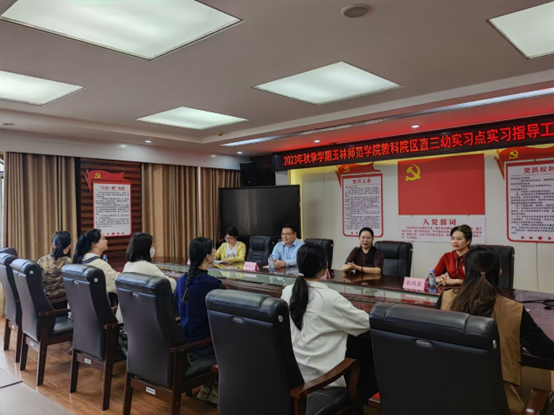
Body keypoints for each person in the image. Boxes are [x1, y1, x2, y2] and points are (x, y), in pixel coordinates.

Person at [437, 246, 554, 415]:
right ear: (499, 273)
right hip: (501, 405)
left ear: (463, 271)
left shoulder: (445, 298)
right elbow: (547, 349)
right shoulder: (514, 309)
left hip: (446, 398)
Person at [281, 243, 370, 389]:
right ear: (325, 267)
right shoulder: (330, 298)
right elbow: (366, 323)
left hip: (293, 376)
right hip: (322, 381)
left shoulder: (288, 291)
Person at [174, 237, 225, 405]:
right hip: (205, 344)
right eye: (213, 251)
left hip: (186, 340)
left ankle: (208, 385)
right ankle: (217, 385)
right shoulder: (213, 284)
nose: (214, 253)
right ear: (208, 257)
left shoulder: (181, 281)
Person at [72, 229, 118, 298]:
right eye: (103, 239)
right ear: (94, 244)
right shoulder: (100, 265)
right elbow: (119, 285)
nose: (106, 241)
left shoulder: (79, 261)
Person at [37, 231, 72, 308]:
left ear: (53, 246)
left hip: (45, 301)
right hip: (63, 302)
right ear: (69, 246)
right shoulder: (70, 263)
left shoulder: (42, 260)